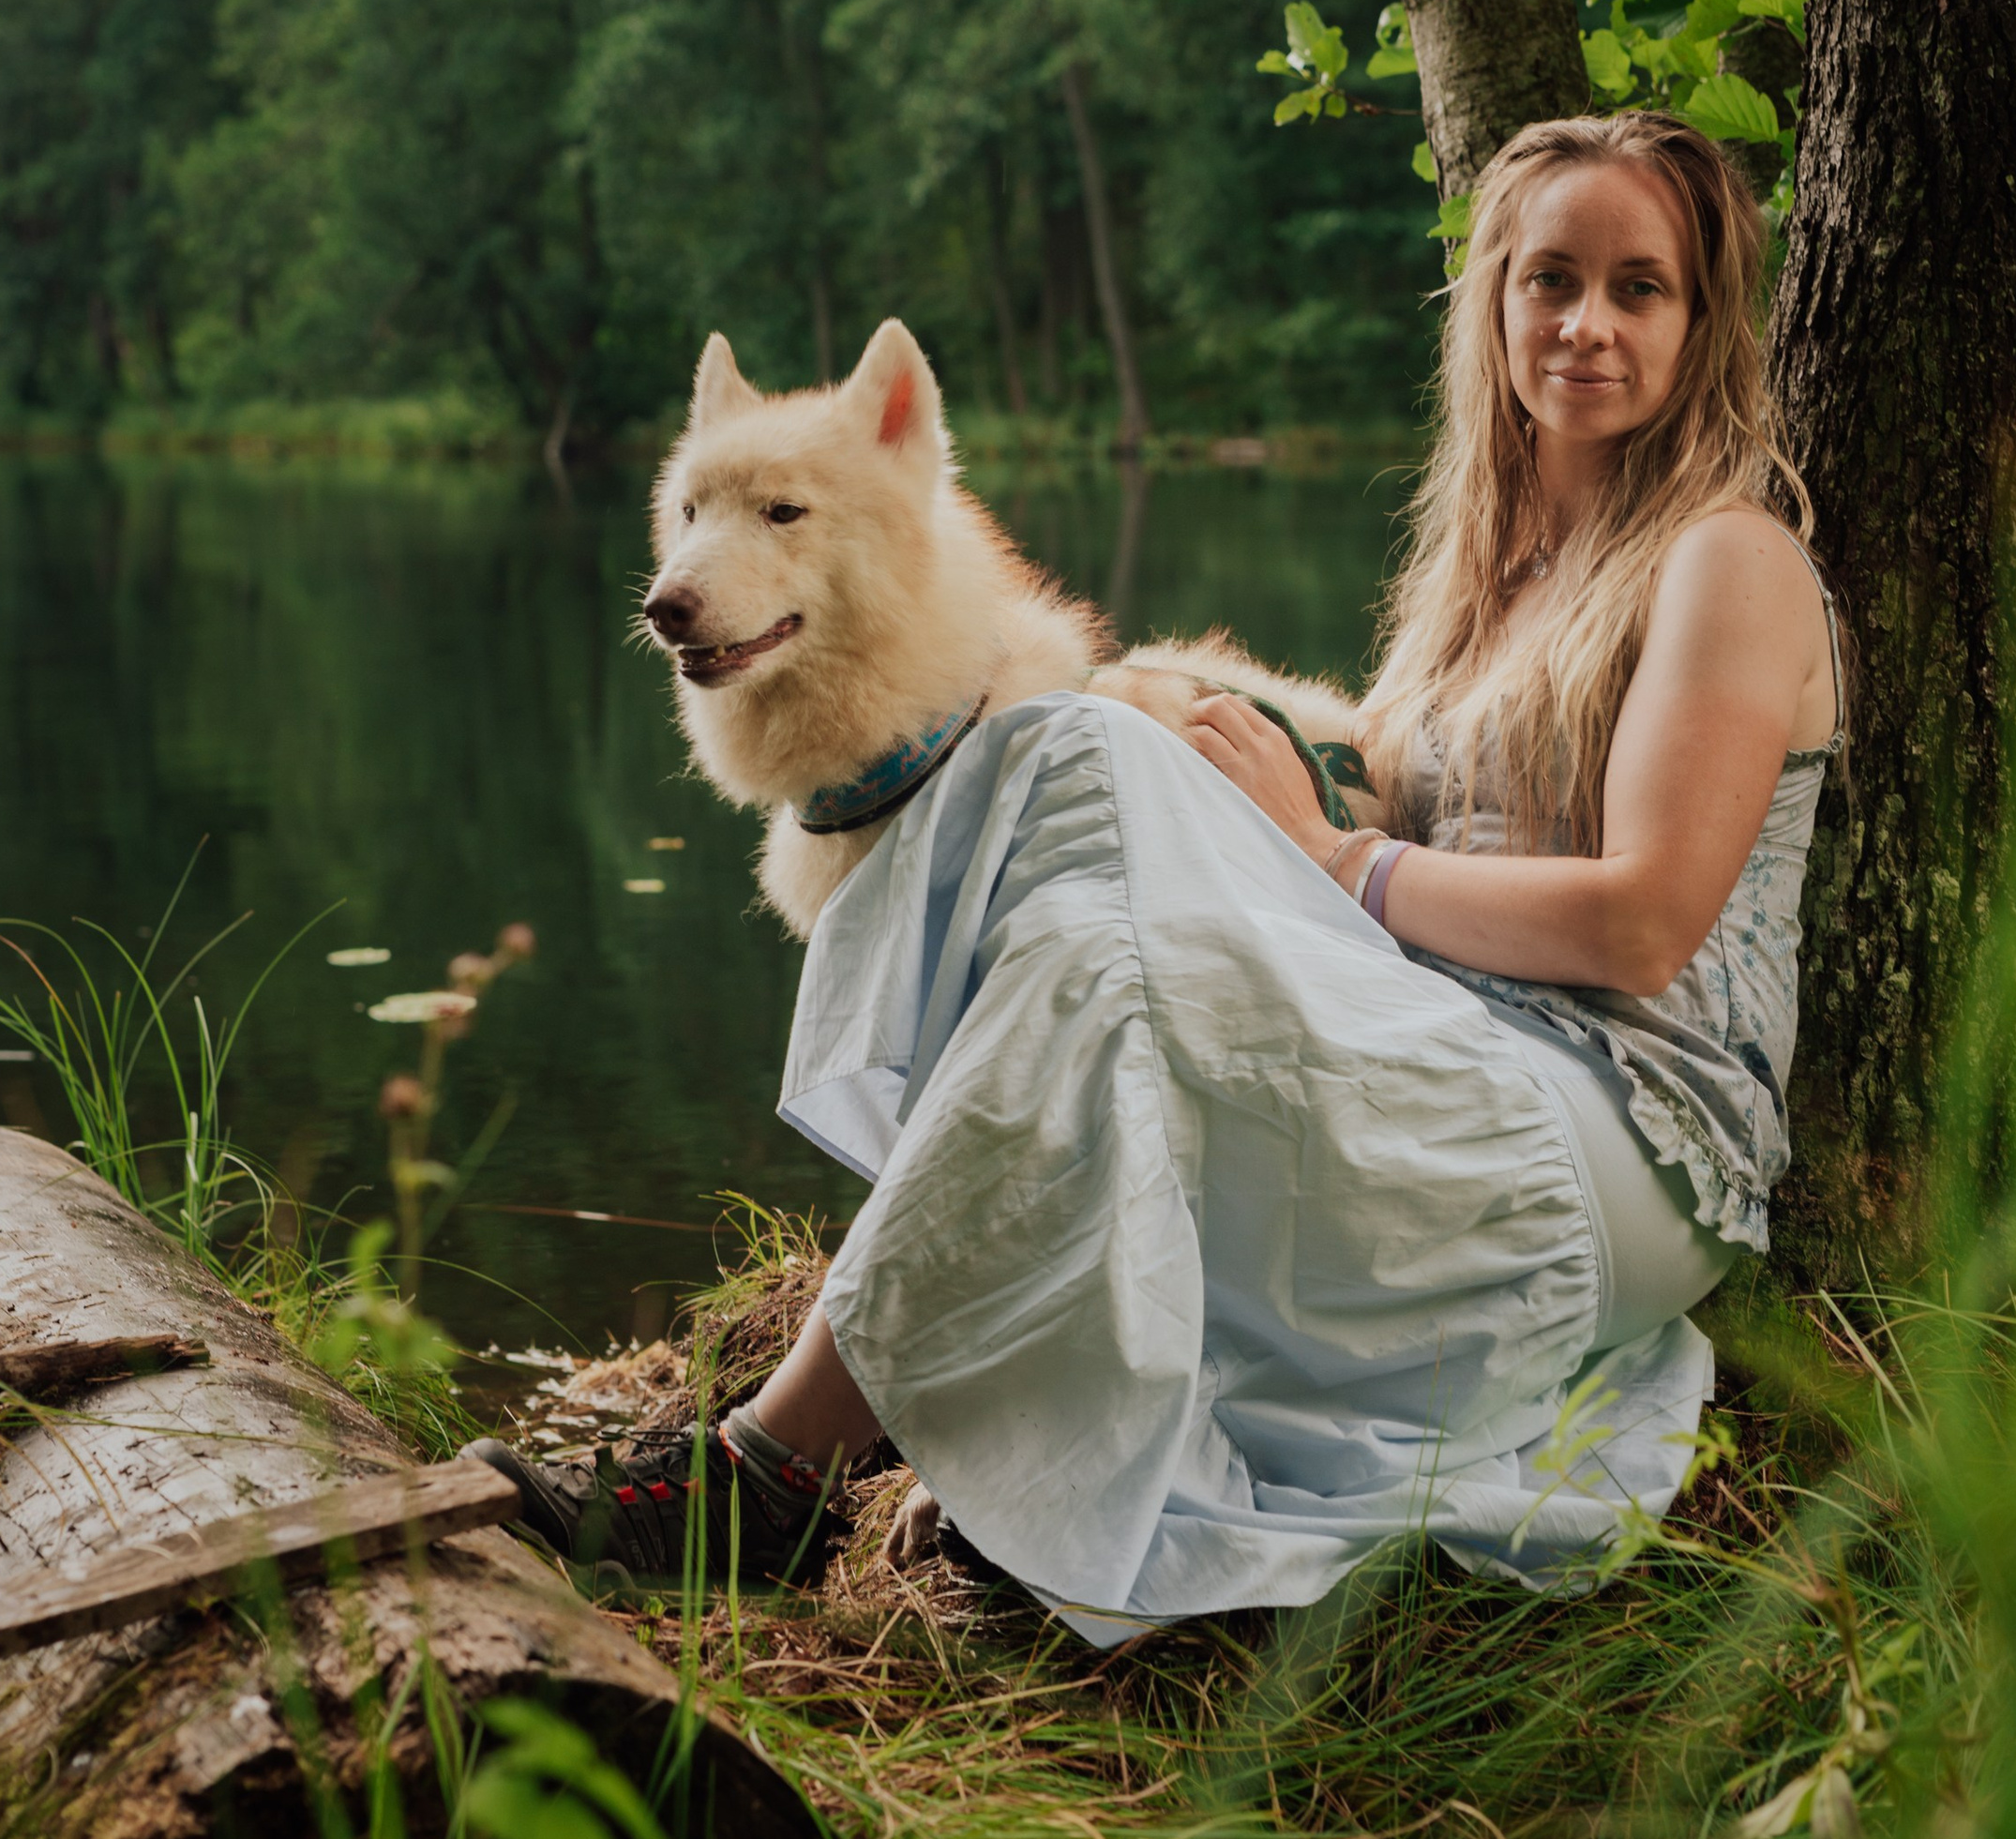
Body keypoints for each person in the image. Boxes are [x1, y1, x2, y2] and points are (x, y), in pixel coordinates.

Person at [477, 112, 1842, 1638]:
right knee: (1084, 788)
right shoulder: (1490, 572)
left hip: (1617, 1148)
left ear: (1705, 318)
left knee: (1073, 784)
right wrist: (1204, 740)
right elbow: (1382, 792)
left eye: (1639, 288)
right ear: (1498, 304)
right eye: (1549, 280)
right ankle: (811, 1466)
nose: (1585, 323)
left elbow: (1646, 923)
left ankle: (769, 1475)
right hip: (1440, 1067)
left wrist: (1336, 859)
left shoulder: (1727, 560)